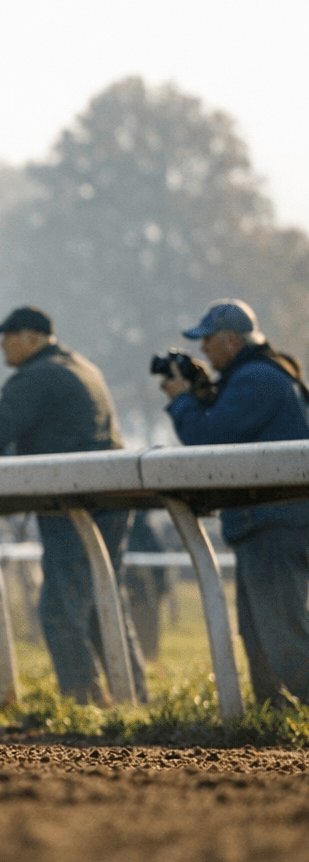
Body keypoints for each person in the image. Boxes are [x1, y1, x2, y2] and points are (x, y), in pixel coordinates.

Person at [0, 305, 148, 704]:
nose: (2, 344)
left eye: (8, 336)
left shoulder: (36, 377)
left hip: (75, 502)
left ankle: (84, 701)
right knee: (104, 603)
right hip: (109, 498)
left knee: (59, 609)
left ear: (32, 339)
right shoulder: (82, 367)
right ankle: (133, 699)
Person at [160, 298, 309, 707]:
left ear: (229, 339)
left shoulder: (255, 378)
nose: (203, 349)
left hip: (273, 523)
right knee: (259, 633)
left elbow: (206, 444)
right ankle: (272, 716)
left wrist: (181, 400)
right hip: (272, 519)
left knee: (283, 636)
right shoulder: (268, 372)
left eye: (207, 340)